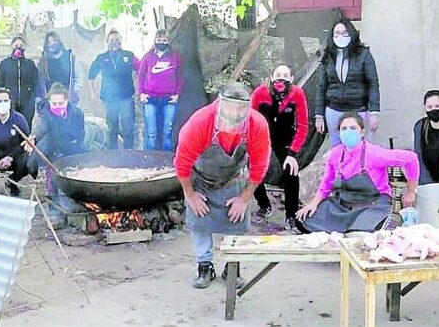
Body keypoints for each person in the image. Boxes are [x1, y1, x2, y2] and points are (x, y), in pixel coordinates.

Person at [174, 82, 271, 289]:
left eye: (241, 107)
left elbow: (260, 165)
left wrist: (244, 198)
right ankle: (204, 265)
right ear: (219, 103)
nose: (235, 113)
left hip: (234, 178)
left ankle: (232, 267)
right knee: (199, 222)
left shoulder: (257, 124)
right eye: (229, 106)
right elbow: (182, 164)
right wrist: (190, 195)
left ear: (249, 106)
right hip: (201, 179)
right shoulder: (200, 122)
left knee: (237, 222)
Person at [297, 113, 419, 233]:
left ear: (362, 132)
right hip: (344, 204)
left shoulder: (374, 153)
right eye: (344, 129)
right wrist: (313, 203)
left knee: (360, 234)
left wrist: (411, 191)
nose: (348, 132)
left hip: (373, 204)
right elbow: (327, 183)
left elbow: (411, 159)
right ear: (339, 133)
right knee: (306, 220)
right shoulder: (335, 154)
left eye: (353, 128)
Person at [250, 63, 309, 232]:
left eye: (285, 75)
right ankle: (264, 205)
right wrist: (250, 144)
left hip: (286, 138)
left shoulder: (297, 93)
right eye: (277, 74)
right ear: (271, 77)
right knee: (254, 169)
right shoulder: (260, 92)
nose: (280, 78)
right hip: (262, 136)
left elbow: (303, 125)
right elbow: (250, 118)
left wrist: (293, 153)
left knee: (291, 172)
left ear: (291, 79)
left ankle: (291, 215)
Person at [314, 18, 380, 146]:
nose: (341, 36)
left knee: (361, 148)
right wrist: (319, 116)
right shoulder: (328, 56)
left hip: (359, 109)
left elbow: (373, 83)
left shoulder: (364, 54)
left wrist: (374, 112)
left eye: (344, 33)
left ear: (351, 33)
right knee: (337, 149)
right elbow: (321, 87)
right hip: (334, 110)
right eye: (337, 33)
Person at [88, 29, 139, 149]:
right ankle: (113, 155)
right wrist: (93, 92)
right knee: (112, 128)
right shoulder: (101, 57)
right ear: (107, 42)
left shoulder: (129, 55)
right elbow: (91, 74)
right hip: (109, 98)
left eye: (117, 40)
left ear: (121, 41)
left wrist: (138, 88)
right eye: (111, 40)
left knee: (128, 127)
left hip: (126, 97)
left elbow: (141, 70)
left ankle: (129, 153)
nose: (114, 42)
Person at [137, 29, 184, 151]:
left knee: (166, 133)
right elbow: (141, 75)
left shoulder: (175, 57)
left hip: (169, 99)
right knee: (151, 133)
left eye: (164, 40)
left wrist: (177, 94)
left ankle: (167, 162)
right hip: (150, 98)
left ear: (168, 41)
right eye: (159, 40)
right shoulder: (148, 57)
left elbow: (180, 76)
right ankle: (149, 161)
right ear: (155, 41)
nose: (161, 42)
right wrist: (141, 93)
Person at [25, 83, 86, 176]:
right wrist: (33, 137)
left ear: (67, 101)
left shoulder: (77, 114)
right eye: (54, 103)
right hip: (52, 139)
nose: (57, 106)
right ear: (49, 102)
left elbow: (80, 134)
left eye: (61, 103)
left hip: (70, 142)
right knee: (35, 159)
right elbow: (41, 127)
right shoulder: (46, 113)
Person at [0, 36, 44, 127]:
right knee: (9, 126)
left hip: (27, 102)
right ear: (11, 46)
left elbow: (36, 82)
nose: (18, 47)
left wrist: (38, 97)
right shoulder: (4, 64)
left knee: (25, 126)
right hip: (9, 102)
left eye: (21, 45)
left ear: (25, 47)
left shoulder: (30, 64)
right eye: (16, 45)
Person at [37, 31, 83, 104]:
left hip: (68, 101)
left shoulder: (70, 57)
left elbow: (78, 77)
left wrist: (74, 92)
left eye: (54, 41)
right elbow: (39, 81)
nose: (52, 44)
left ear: (59, 42)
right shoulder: (42, 61)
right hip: (50, 102)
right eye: (49, 42)